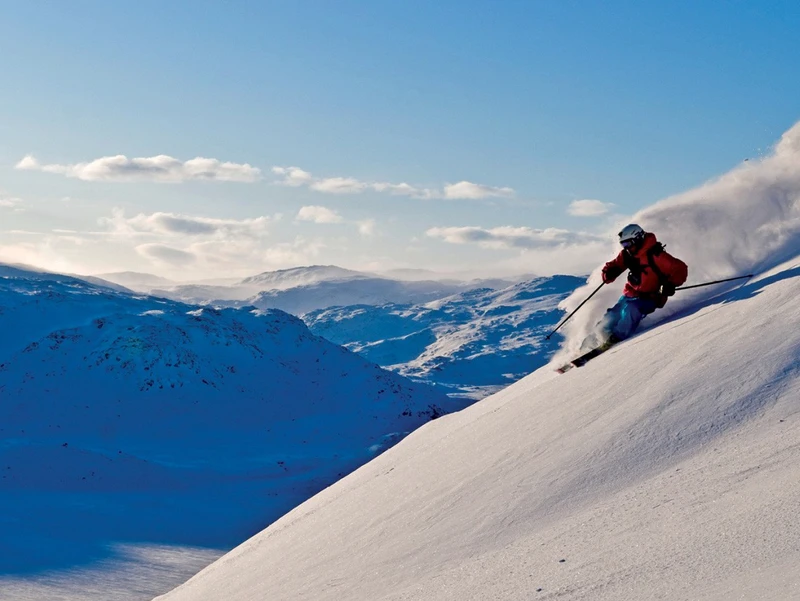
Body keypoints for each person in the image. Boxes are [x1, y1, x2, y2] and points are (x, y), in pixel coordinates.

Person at [592, 224, 688, 346]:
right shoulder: (627, 254)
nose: (626, 247)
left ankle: (616, 338)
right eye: (623, 244)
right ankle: (593, 340)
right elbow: (613, 265)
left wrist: (670, 284)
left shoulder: (656, 255)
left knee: (631, 309)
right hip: (630, 294)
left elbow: (680, 269)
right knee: (612, 315)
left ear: (638, 239)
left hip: (650, 297)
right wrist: (609, 273)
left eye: (628, 244)